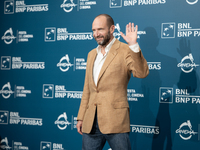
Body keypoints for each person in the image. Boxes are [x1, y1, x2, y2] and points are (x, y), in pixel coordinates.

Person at [76, 14, 149, 150]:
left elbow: (142, 73)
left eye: (100, 29)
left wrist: (133, 45)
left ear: (112, 29)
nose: (96, 34)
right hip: (91, 121)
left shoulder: (125, 50)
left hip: (115, 120)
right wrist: (81, 117)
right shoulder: (91, 54)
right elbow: (87, 88)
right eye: (93, 30)